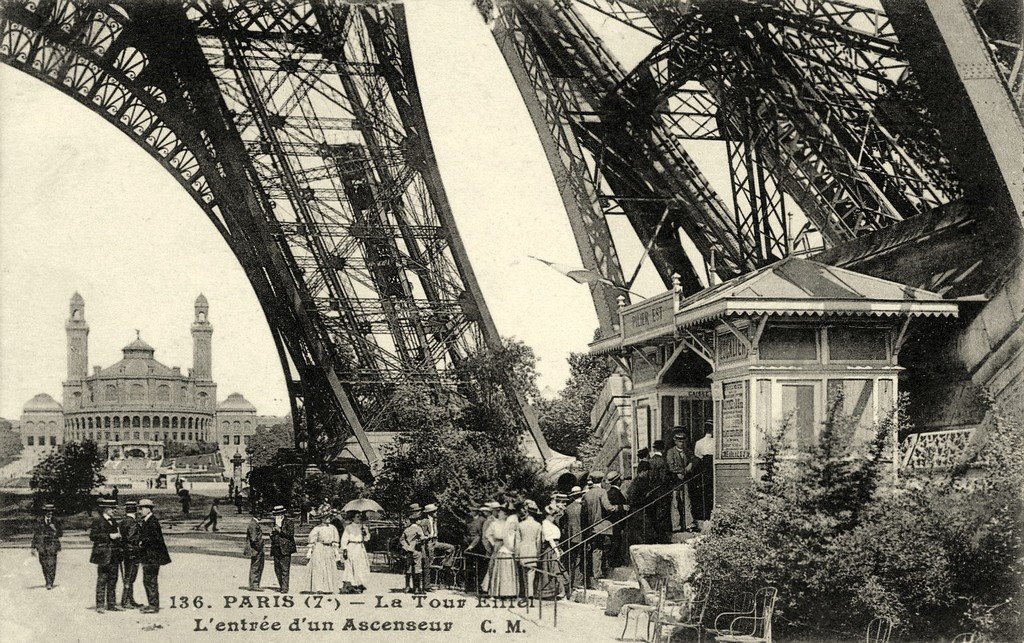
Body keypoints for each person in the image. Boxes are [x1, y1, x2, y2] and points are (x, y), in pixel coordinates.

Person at [137, 498, 171, 613]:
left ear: (148, 509)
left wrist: (142, 542)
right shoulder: (148, 520)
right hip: (150, 556)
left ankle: (153, 605)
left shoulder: (152, 521)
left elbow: (154, 539)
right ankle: (152, 604)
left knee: (150, 580)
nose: (140, 511)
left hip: (152, 556)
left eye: (141, 508)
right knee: (149, 580)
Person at [89, 498, 122, 613]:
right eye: (112, 508)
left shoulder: (114, 521)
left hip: (114, 555)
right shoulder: (98, 521)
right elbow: (93, 536)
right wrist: (109, 536)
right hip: (103, 555)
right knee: (102, 579)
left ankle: (111, 604)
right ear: (106, 509)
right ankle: (100, 605)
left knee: (113, 579)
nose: (114, 510)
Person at [482, 504, 518, 598]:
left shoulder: (509, 524)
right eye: (499, 512)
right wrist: (493, 544)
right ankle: (493, 590)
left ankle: (506, 591)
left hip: (507, 546)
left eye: (502, 513)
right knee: (494, 567)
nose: (500, 514)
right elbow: (488, 535)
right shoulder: (494, 523)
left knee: (506, 569)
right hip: (498, 545)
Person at [666, 427, 696, 531]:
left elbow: (693, 459)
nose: (681, 444)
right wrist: (681, 471)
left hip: (685, 480)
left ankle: (689, 524)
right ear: (675, 441)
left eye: (683, 442)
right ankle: (676, 526)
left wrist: (691, 464)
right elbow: (671, 466)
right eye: (679, 442)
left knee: (687, 501)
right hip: (675, 481)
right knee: (675, 503)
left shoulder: (687, 451)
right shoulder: (671, 452)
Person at [581, 471, 607, 588]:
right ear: (601, 480)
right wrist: (619, 507)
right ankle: (597, 575)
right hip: (600, 526)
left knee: (594, 550)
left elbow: (584, 513)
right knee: (598, 550)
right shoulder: (602, 492)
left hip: (591, 527)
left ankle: (593, 575)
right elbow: (608, 507)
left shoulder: (587, 494)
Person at [306, 511, 341, 594]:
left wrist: (336, 553)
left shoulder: (333, 528)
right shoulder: (317, 528)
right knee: (319, 568)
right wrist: (309, 552)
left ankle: (328, 588)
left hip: (329, 549)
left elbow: (335, 542)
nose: (329, 519)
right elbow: (312, 541)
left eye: (329, 517)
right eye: (326, 517)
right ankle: (319, 588)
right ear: (322, 519)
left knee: (329, 567)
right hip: (319, 548)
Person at [31, 503, 62, 590]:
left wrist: (54, 529)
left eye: (51, 511)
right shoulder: (39, 521)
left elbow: (61, 534)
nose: (50, 513)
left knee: (51, 564)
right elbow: (36, 534)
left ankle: (50, 582)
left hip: (52, 544)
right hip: (42, 545)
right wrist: (33, 547)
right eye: (48, 511)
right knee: (43, 564)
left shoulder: (56, 521)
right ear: (44, 512)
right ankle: (47, 580)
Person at [120, 501, 144, 609]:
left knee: (127, 576)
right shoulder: (133, 523)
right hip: (133, 553)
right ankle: (126, 601)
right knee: (130, 577)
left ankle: (129, 599)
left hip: (125, 552)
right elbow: (131, 538)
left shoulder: (123, 521)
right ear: (135, 511)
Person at [340, 511, 372, 593]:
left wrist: (365, 533)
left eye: (360, 516)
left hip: (360, 547)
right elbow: (344, 539)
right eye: (357, 516)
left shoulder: (363, 527)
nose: (359, 518)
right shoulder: (349, 527)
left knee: (361, 566)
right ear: (353, 518)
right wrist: (344, 549)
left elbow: (367, 539)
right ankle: (352, 584)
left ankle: (360, 583)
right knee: (352, 565)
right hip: (352, 547)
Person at [516, 500, 542, 597]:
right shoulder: (538, 525)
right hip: (533, 551)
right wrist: (538, 554)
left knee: (523, 574)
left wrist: (517, 553)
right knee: (531, 573)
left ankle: (523, 592)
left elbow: (517, 541)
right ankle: (530, 594)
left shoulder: (520, 525)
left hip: (523, 551)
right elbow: (538, 541)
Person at [604, 471, 629, 568]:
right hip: (617, 520)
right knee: (617, 540)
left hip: (613, 521)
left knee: (616, 540)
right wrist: (623, 507)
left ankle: (615, 560)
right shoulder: (616, 493)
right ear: (618, 481)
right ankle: (615, 561)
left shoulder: (609, 492)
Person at [538, 505, 564, 599]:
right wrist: (556, 551)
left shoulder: (551, 524)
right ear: (548, 516)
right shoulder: (545, 524)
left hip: (556, 546)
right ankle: (552, 592)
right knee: (554, 569)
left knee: (556, 569)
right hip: (551, 548)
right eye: (553, 516)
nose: (554, 518)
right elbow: (550, 540)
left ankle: (558, 591)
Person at [692, 422, 715, 527]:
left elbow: (697, 456)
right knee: (711, 490)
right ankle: (709, 514)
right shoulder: (715, 441)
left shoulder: (699, 442)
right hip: (711, 468)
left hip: (703, 469)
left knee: (704, 491)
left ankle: (704, 515)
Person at [269, 505, 296, 593]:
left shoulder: (289, 522)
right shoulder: (275, 523)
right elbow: (275, 536)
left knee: (285, 569)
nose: (277, 516)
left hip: (285, 548)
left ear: (283, 514)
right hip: (276, 548)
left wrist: (279, 530)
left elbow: (290, 534)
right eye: (276, 514)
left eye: (279, 514)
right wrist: (272, 535)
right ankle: (281, 585)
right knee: (277, 569)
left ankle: (284, 588)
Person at [401, 504, 425, 593]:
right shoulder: (418, 529)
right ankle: (417, 588)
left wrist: (406, 546)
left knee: (408, 569)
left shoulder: (406, 529)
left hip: (408, 551)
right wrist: (423, 539)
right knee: (417, 569)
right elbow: (422, 538)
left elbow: (402, 539)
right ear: (417, 520)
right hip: (416, 551)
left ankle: (407, 587)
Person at [563, 486, 584, 589]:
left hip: (570, 536)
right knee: (580, 559)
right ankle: (577, 581)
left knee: (572, 559)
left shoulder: (568, 508)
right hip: (581, 536)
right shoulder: (582, 507)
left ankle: (570, 581)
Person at [244, 513, 265, 591]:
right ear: (259, 515)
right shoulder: (253, 524)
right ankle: (254, 585)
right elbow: (254, 539)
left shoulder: (253, 523)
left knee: (257, 566)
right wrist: (260, 547)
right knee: (256, 566)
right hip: (256, 549)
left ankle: (255, 584)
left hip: (256, 549)